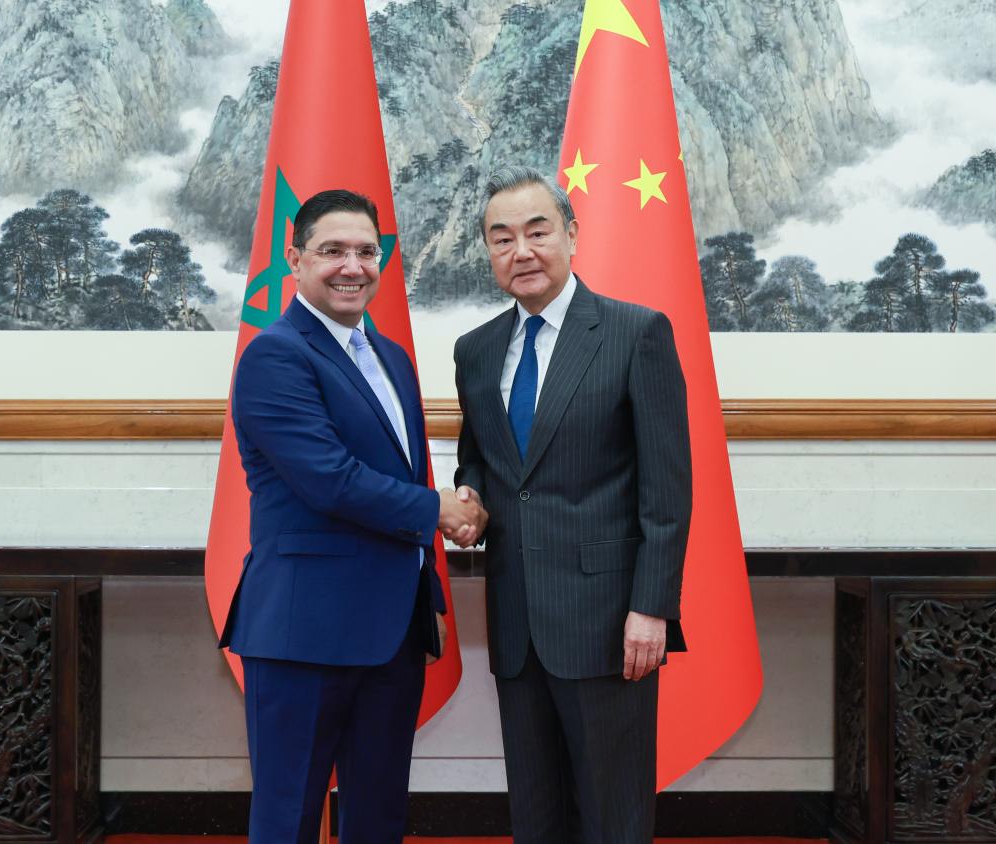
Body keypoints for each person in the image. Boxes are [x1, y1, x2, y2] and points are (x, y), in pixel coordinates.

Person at [218, 189, 484, 844]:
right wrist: (442, 510)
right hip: (303, 633)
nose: (352, 266)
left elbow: (404, 476)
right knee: (288, 818)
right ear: (295, 258)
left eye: (367, 251)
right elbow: (329, 480)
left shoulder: (391, 358)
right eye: (332, 250)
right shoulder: (275, 354)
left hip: (392, 633)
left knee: (379, 816)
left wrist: (429, 598)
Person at [453, 166, 692, 843]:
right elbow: (482, 456)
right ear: (489, 252)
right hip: (516, 617)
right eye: (502, 239)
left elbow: (667, 490)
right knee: (536, 814)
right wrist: (468, 492)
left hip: (608, 621)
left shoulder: (635, 333)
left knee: (612, 814)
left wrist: (652, 608)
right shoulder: (476, 351)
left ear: (572, 235)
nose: (521, 251)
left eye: (538, 232)